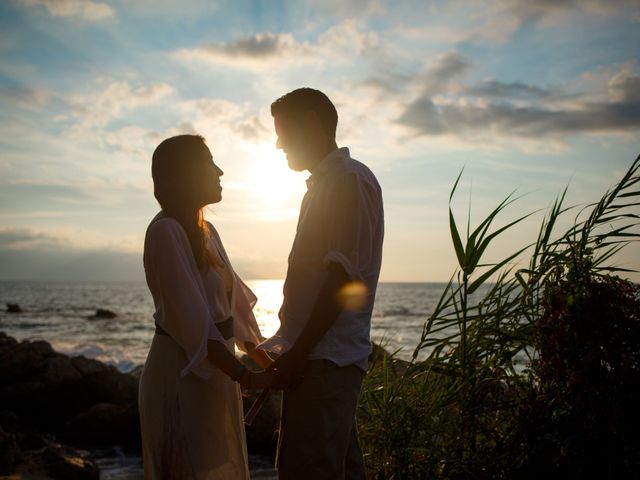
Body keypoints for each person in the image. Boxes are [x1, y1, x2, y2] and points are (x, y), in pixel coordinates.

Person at [258, 88, 384, 479]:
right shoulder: (326, 184)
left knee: (307, 470)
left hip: (324, 362)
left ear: (311, 123)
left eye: (283, 132)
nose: (278, 144)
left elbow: (341, 281)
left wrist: (298, 354)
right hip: (322, 360)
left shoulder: (346, 181)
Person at [139, 134, 274, 480]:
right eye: (209, 162)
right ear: (184, 174)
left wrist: (267, 364)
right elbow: (195, 324)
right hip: (182, 375)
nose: (220, 171)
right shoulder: (165, 232)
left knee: (216, 468)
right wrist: (247, 376)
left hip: (216, 374)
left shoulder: (207, 230)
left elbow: (236, 312)